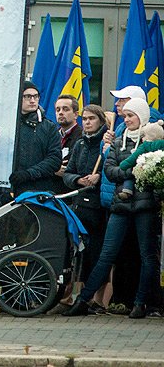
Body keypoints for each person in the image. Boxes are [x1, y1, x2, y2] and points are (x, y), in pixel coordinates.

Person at [64, 98, 160, 319]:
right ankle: (83, 300)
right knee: (107, 254)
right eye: (125, 116)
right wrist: (135, 170)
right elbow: (111, 172)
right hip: (120, 205)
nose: (126, 120)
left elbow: (155, 172)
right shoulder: (117, 142)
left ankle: (140, 302)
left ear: (142, 117)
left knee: (147, 256)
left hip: (145, 206)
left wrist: (130, 170)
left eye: (131, 115)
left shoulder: (153, 141)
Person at [52, 105, 109, 314]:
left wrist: (99, 177)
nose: (87, 122)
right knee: (78, 254)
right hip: (79, 205)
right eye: (84, 119)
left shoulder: (106, 144)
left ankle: (96, 299)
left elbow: (111, 168)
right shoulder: (81, 144)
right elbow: (68, 174)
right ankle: (72, 296)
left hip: (99, 206)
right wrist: (77, 179)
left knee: (96, 253)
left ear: (101, 121)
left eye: (92, 118)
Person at [9, 81, 62, 196]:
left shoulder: (49, 127)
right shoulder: (8, 125)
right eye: (27, 96)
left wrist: (28, 174)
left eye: (36, 96)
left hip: (39, 191)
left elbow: (54, 160)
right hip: (8, 191)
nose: (32, 100)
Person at [52, 94, 83, 194]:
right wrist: (53, 168)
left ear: (75, 114)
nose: (61, 113)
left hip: (71, 193)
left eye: (65, 109)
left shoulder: (83, 138)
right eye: (58, 110)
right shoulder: (51, 136)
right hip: (51, 190)